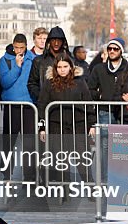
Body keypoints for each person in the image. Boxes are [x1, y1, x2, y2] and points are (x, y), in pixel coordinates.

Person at [37, 53, 96, 184]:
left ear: (71, 67)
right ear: (55, 68)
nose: (62, 69)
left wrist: (92, 124)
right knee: (61, 161)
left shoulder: (80, 82)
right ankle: (64, 190)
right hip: (57, 126)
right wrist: (42, 127)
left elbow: (88, 103)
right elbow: (42, 105)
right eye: (59, 67)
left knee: (82, 160)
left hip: (78, 125)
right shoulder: (49, 83)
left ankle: (91, 188)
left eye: (65, 66)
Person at [0, 34, 37, 181]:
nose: (19, 51)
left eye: (21, 48)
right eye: (16, 48)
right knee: (8, 142)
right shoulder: (5, 60)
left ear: (26, 46)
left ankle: (29, 177)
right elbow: (5, 82)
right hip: (11, 106)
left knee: (29, 143)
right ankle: (6, 174)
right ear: (13, 46)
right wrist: (17, 66)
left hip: (28, 106)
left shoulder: (33, 60)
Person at [27, 26, 72, 104]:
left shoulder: (71, 60)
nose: (56, 43)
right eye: (53, 40)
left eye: (59, 40)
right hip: (45, 105)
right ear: (49, 41)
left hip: (66, 105)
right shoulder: (39, 61)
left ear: (63, 41)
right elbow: (32, 83)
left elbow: (77, 83)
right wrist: (42, 96)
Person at [88, 38, 127, 125]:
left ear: (121, 51)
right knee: (105, 138)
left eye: (115, 49)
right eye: (109, 49)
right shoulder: (99, 68)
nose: (112, 51)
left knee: (123, 138)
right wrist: (100, 95)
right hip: (105, 111)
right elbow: (90, 89)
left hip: (124, 112)